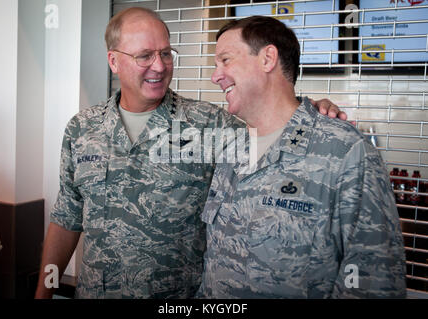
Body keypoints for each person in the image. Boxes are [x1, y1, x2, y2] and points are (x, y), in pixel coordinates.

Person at [35, 8, 346, 299]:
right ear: (114, 61)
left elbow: (275, 138)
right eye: (145, 56)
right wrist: (44, 290)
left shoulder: (209, 126)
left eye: (166, 54)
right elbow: (66, 218)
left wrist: (310, 111)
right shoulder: (83, 129)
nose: (159, 66)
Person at [197, 16, 407, 299]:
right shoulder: (232, 149)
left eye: (225, 60)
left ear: (268, 58)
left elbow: (373, 282)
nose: (215, 76)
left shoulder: (345, 152)